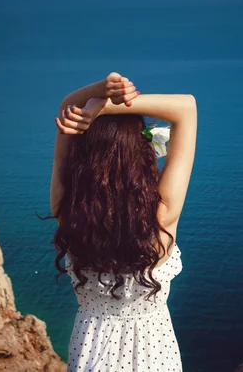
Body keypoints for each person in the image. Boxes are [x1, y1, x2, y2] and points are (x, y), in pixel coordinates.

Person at [46, 72, 197, 372]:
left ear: (83, 159)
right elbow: (187, 108)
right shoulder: (161, 219)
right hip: (155, 358)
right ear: (141, 156)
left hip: (89, 355)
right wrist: (110, 106)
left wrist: (99, 94)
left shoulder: (69, 211)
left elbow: (66, 110)